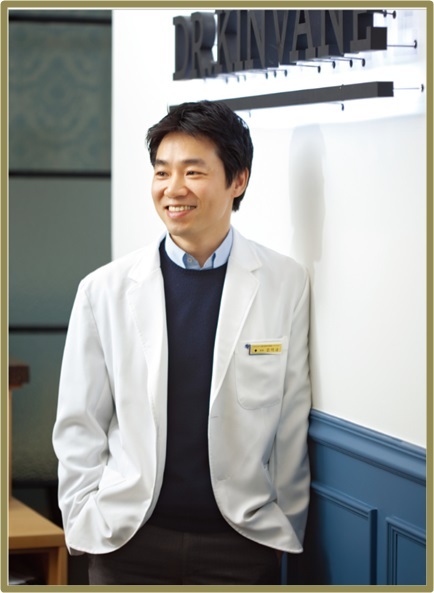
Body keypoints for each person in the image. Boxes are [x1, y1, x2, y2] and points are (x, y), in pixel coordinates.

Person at [52, 100, 312, 585]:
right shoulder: (103, 290)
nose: (173, 189)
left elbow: (291, 423)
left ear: (238, 180)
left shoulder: (285, 282)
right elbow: (79, 423)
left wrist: (284, 528)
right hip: (127, 541)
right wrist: (84, 517)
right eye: (162, 172)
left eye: (193, 172)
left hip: (242, 545)